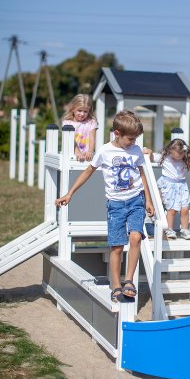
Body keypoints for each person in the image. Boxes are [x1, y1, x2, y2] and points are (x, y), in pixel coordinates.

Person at [56, 110, 154, 302]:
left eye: (135, 139)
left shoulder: (135, 151)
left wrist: (148, 200)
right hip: (115, 204)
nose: (133, 143)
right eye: (130, 139)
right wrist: (70, 193)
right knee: (117, 247)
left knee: (136, 237)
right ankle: (116, 285)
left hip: (136, 200)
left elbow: (142, 175)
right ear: (117, 133)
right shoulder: (104, 151)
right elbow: (88, 172)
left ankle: (129, 281)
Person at [143, 139, 190, 240]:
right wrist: (148, 151)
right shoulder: (165, 157)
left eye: (179, 157)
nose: (176, 160)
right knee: (171, 210)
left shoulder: (184, 159)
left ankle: (184, 229)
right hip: (168, 185)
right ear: (170, 151)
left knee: (185, 209)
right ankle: (169, 229)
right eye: (174, 157)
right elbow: (152, 157)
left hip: (182, 186)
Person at [62, 94, 99, 161]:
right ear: (73, 109)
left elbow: (92, 138)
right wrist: (77, 152)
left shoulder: (91, 122)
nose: (82, 114)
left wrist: (90, 151)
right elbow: (70, 139)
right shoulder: (67, 123)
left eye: (85, 111)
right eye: (79, 110)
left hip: (87, 156)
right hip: (71, 155)